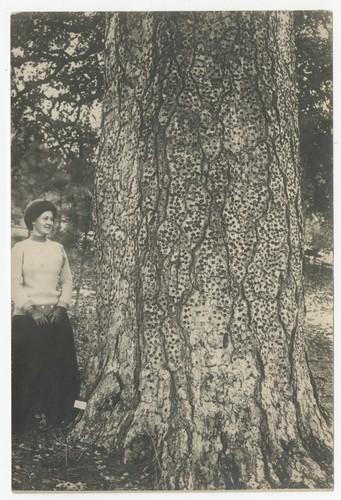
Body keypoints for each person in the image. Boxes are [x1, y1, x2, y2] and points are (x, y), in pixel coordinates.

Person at [11, 199, 78, 433]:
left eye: (52, 218)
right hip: (27, 321)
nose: (50, 222)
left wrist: (61, 307)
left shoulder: (57, 248)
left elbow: (67, 281)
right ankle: (22, 425)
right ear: (33, 221)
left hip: (55, 319)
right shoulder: (19, 249)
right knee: (28, 370)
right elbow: (13, 283)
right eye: (45, 218)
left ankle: (59, 419)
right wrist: (31, 309)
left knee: (61, 369)